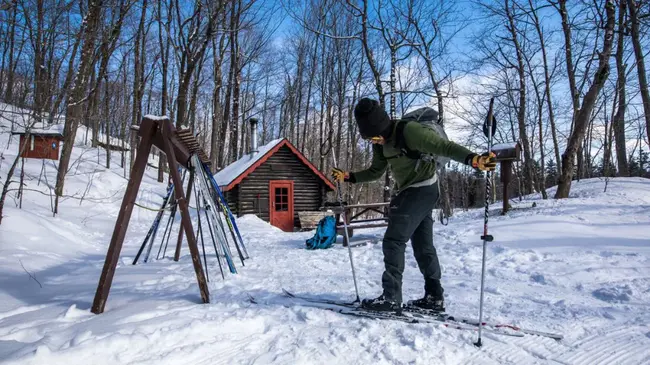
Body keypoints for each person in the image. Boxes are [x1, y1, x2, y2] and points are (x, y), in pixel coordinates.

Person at [331, 98, 496, 314]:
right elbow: (376, 172)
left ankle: (391, 298)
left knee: (393, 240)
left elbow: (443, 146)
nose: (373, 142)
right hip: (411, 191)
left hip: (423, 188)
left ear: (381, 127)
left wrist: (473, 159)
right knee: (423, 245)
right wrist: (348, 177)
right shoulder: (380, 143)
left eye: (373, 136)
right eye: (369, 138)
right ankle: (434, 297)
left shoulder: (410, 131)